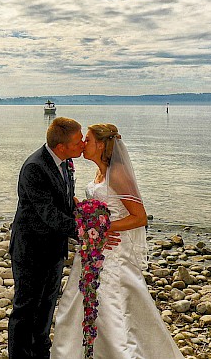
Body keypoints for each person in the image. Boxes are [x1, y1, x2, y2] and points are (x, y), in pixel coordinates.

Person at [50, 123, 185, 359]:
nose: (83, 144)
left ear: (101, 145)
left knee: (112, 311)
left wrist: (102, 227)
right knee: (76, 305)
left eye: (88, 140)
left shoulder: (119, 173)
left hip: (112, 252)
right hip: (93, 249)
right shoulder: (100, 172)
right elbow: (99, 207)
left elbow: (139, 217)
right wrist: (85, 216)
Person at [9, 117, 86, 359]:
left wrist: (84, 212)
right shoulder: (35, 167)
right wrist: (85, 231)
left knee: (46, 308)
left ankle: (40, 354)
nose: (83, 144)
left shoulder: (66, 162)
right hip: (31, 250)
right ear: (61, 147)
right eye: (78, 141)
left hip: (54, 250)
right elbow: (48, 213)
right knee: (25, 310)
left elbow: (64, 202)